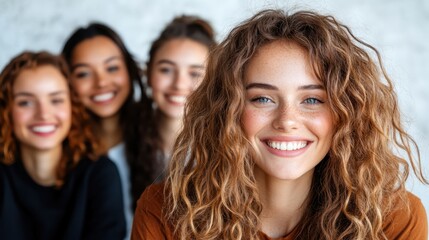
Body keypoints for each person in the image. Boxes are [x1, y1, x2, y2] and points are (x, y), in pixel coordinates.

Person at [131, 9, 428, 240]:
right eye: (262, 99)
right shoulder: (164, 211)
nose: (287, 120)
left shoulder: (395, 219)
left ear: (346, 112)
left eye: (312, 100)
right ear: (227, 110)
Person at [0, 51, 125, 240]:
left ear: (72, 107)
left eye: (56, 100)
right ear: (6, 110)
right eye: (25, 102)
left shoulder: (100, 175)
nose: (43, 114)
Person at [61, 22, 152, 238]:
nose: (101, 82)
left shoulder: (155, 135)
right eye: (84, 74)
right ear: (66, 81)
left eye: (112, 68)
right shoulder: (58, 151)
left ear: (129, 71)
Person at [137, 15, 216, 191]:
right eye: (166, 70)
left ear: (212, 81)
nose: (179, 84)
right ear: (148, 74)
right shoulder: (125, 139)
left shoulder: (227, 149)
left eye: (194, 73)